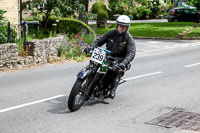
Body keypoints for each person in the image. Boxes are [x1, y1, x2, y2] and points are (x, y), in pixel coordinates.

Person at [84, 15, 136, 99]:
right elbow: (99, 41)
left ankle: (112, 88)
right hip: (108, 55)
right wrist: (92, 46)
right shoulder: (111, 33)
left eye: (123, 27)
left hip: (120, 59)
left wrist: (124, 63)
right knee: (94, 64)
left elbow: (131, 53)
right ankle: (89, 82)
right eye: (120, 26)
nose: (121, 28)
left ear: (127, 27)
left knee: (113, 70)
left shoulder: (129, 39)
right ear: (117, 25)